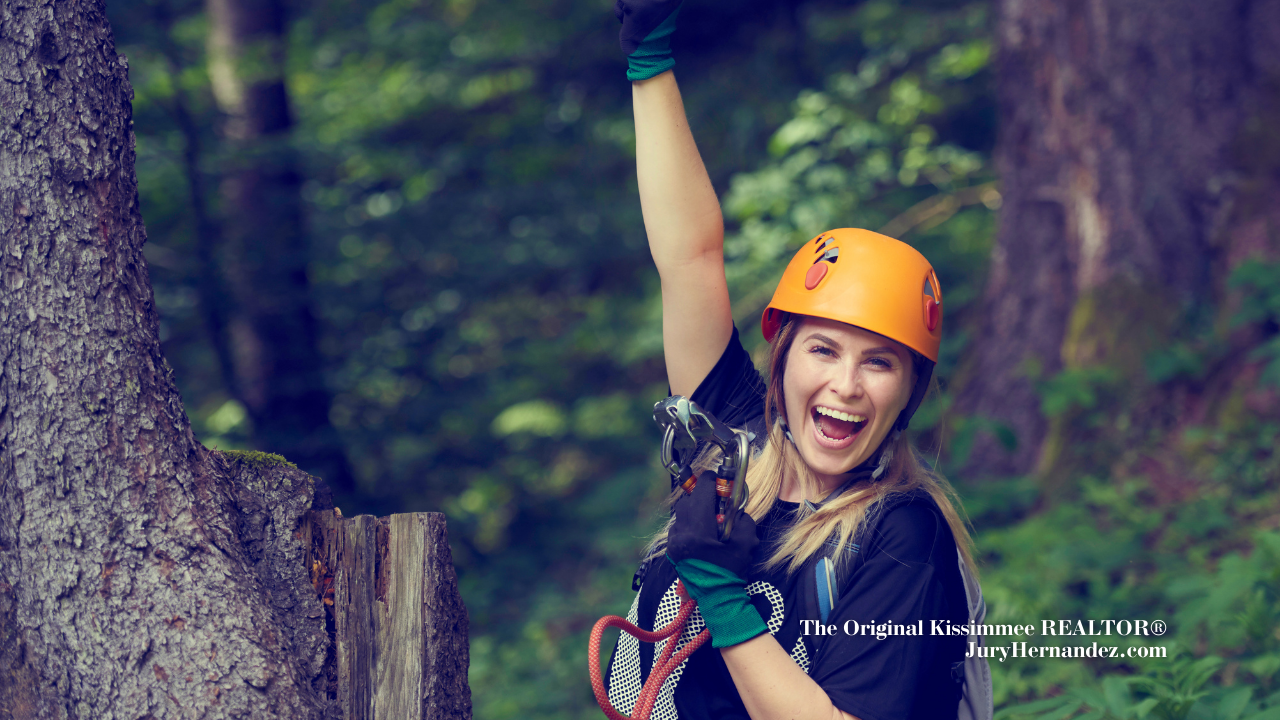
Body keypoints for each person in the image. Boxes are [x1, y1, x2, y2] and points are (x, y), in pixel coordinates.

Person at [603, 3, 989, 720]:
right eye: (823, 349)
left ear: (909, 393)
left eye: (880, 363)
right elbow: (690, 257)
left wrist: (722, 598)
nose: (845, 385)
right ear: (779, 362)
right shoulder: (733, 448)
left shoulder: (902, 535)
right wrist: (649, 57)